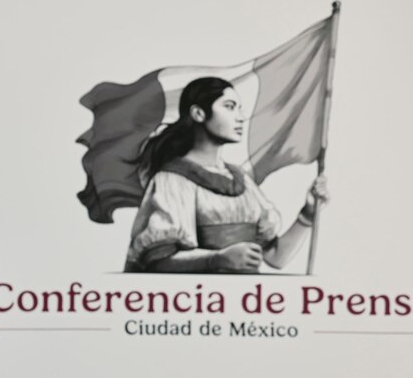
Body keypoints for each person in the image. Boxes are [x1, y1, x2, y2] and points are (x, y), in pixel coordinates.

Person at [124, 77, 329, 273]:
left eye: (239, 108)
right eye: (229, 107)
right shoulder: (172, 179)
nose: (240, 117)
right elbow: (158, 262)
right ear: (198, 113)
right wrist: (217, 258)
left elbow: (276, 258)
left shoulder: (242, 180)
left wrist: (308, 214)